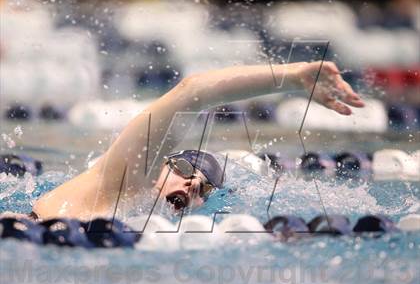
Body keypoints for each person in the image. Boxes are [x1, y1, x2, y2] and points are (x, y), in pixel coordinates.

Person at [11, 61, 364, 221]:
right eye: (183, 168)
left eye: (206, 189)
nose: (194, 183)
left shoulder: (138, 220)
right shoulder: (122, 182)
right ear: (157, 164)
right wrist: (291, 78)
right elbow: (192, 93)